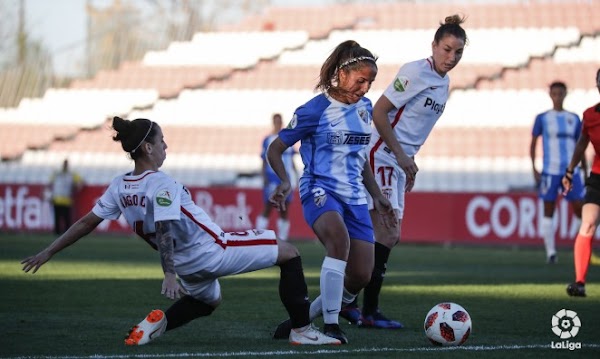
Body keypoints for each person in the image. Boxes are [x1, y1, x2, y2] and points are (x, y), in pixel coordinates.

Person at [22, 116, 341, 346]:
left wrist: (48, 251)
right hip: (212, 250)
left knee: (208, 302)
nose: (166, 147)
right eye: (161, 142)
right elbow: (163, 226)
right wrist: (169, 274)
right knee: (290, 253)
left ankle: (157, 325)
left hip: (189, 264)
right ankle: (301, 329)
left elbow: (85, 222)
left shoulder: (119, 186)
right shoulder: (160, 182)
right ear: (147, 147)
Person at [339, 15, 468, 329]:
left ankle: (352, 303)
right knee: (387, 231)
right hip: (381, 154)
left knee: (382, 236)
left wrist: (408, 163)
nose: (451, 57)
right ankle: (358, 307)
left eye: (458, 52)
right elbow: (380, 113)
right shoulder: (415, 72)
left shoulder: (445, 83)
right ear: (434, 45)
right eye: (447, 49)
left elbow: (414, 127)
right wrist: (400, 155)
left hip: (398, 162)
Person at [268, 40, 397, 344]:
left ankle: (304, 319)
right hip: (319, 189)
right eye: (360, 80)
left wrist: (377, 195)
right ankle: (330, 326)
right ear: (341, 74)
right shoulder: (315, 110)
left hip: (355, 196)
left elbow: (359, 157)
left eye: (370, 82)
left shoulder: (365, 109)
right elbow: (276, 148)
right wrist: (285, 181)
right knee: (338, 242)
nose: (365, 88)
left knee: (362, 275)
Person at [530, 81, 586, 264]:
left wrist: (584, 169)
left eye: (560, 93)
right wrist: (534, 168)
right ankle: (551, 253)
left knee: (581, 210)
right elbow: (533, 143)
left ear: (565, 94)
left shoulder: (574, 118)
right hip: (550, 171)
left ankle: (577, 246)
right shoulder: (543, 118)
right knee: (549, 209)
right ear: (550, 95)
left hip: (572, 171)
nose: (557, 96)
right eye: (554, 93)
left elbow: (581, 145)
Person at [562, 68, 600, 297]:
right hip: (597, 177)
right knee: (587, 224)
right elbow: (581, 144)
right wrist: (569, 171)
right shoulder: (590, 115)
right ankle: (579, 282)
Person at [255, 113, 298, 241]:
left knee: (284, 208)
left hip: (287, 177)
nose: (278, 124)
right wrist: (264, 177)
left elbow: (291, 160)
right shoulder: (268, 139)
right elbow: (264, 160)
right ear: (273, 122)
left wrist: (295, 175)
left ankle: (283, 238)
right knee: (268, 206)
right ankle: (259, 236)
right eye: (276, 121)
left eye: (280, 121)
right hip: (272, 176)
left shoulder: (288, 139)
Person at [48, 158, 84, 235]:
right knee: (57, 217)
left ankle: (67, 233)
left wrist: (75, 188)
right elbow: (50, 184)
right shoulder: (57, 173)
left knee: (66, 218)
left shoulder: (71, 174)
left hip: (67, 200)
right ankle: (57, 232)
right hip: (57, 199)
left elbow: (80, 183)